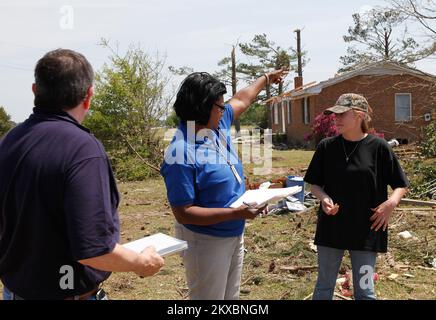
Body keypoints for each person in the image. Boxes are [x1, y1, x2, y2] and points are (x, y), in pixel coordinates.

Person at [0, 49, 164, 300]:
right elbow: (94, 250)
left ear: (35, 91)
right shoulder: (83, 149)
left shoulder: (9, 141)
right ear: (88, 95)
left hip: (16, 292)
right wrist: (140, 263)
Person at [161, 69, 287, 299]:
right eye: (219, 106)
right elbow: (184, 213)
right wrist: (235, 214)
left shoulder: (215, 127)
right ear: (202, 108)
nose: (225, 110)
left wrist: (266, 79)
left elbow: (242, 99)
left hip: (233, 233)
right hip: (205, 241)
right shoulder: (181, 152)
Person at [304, 93, 409, 300]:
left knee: (365, 291)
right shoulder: (326, 146)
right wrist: (324, 198)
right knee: (324, 288)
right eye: (335, 114)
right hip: (331, 229)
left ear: (360, 116)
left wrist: (391, 203)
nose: (336, 118)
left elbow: (400, 184)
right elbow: (313, 184)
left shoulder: (379, 148)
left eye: (343, 114)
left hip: (367, 231)